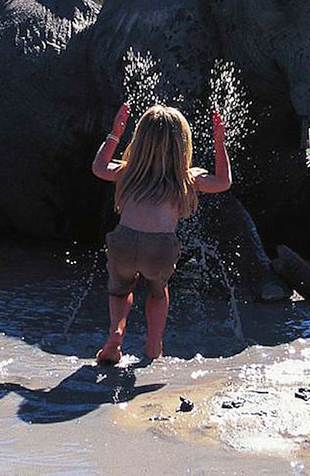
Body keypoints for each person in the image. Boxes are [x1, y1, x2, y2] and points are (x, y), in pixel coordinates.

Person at [91, 103, 231, 362]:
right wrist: (219, 143)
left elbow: (99, 168)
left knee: (119, 291)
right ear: (183, 144)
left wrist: (114, 134)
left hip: (124, 240)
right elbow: (224, 182)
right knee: (157, 292)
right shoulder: (186, 179)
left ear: (140, 139)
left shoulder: (129, 172)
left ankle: (116, 333)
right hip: (160, 248)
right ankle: (154, 347)